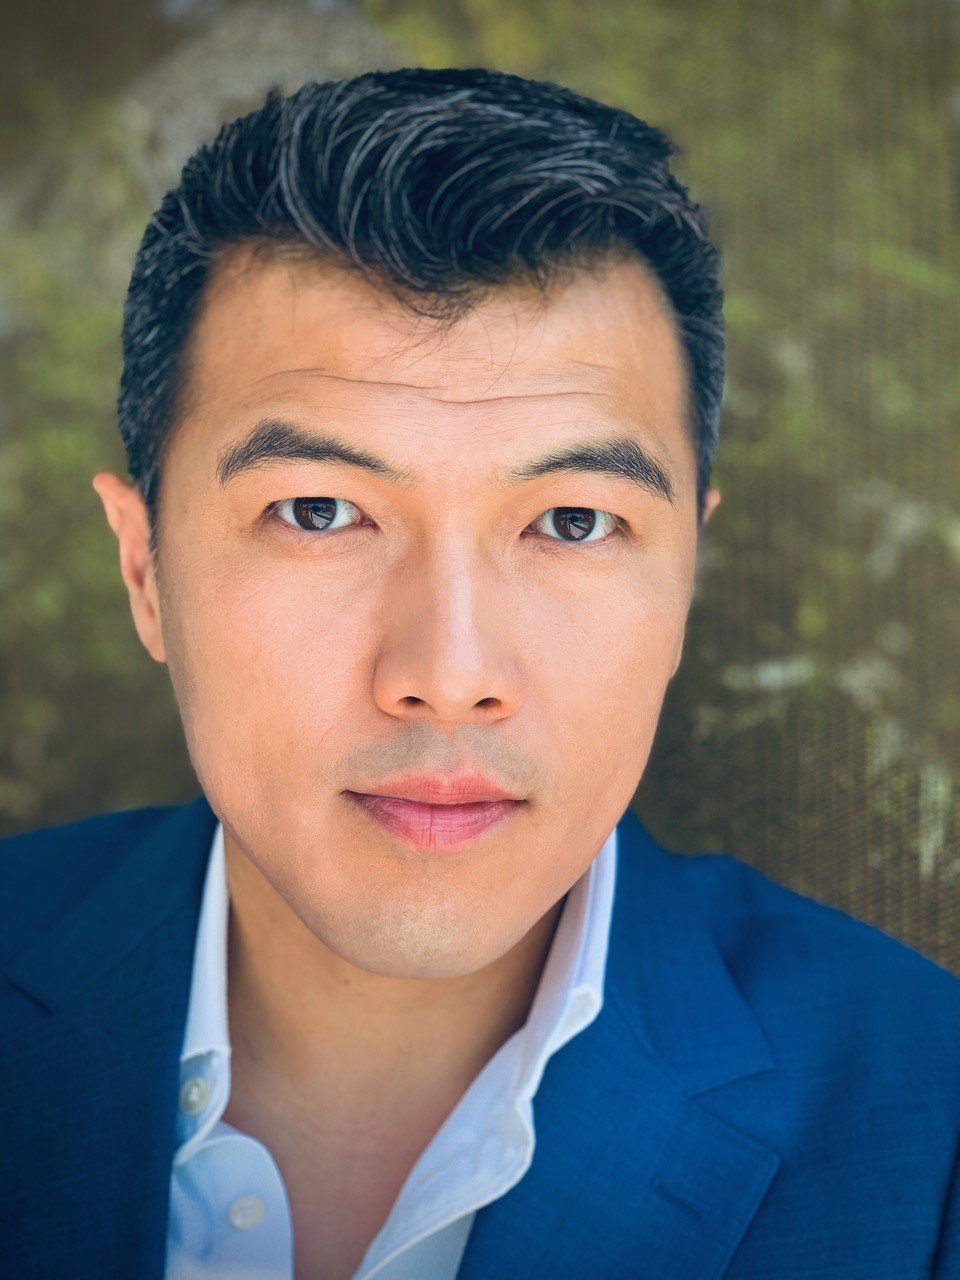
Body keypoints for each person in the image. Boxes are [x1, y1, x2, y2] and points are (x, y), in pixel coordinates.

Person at [1, 67, 957, 1280]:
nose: (449, 676)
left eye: (572, 521)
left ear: (688, 578)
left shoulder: (930, 1123)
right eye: (318, 510)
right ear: (145, 570)